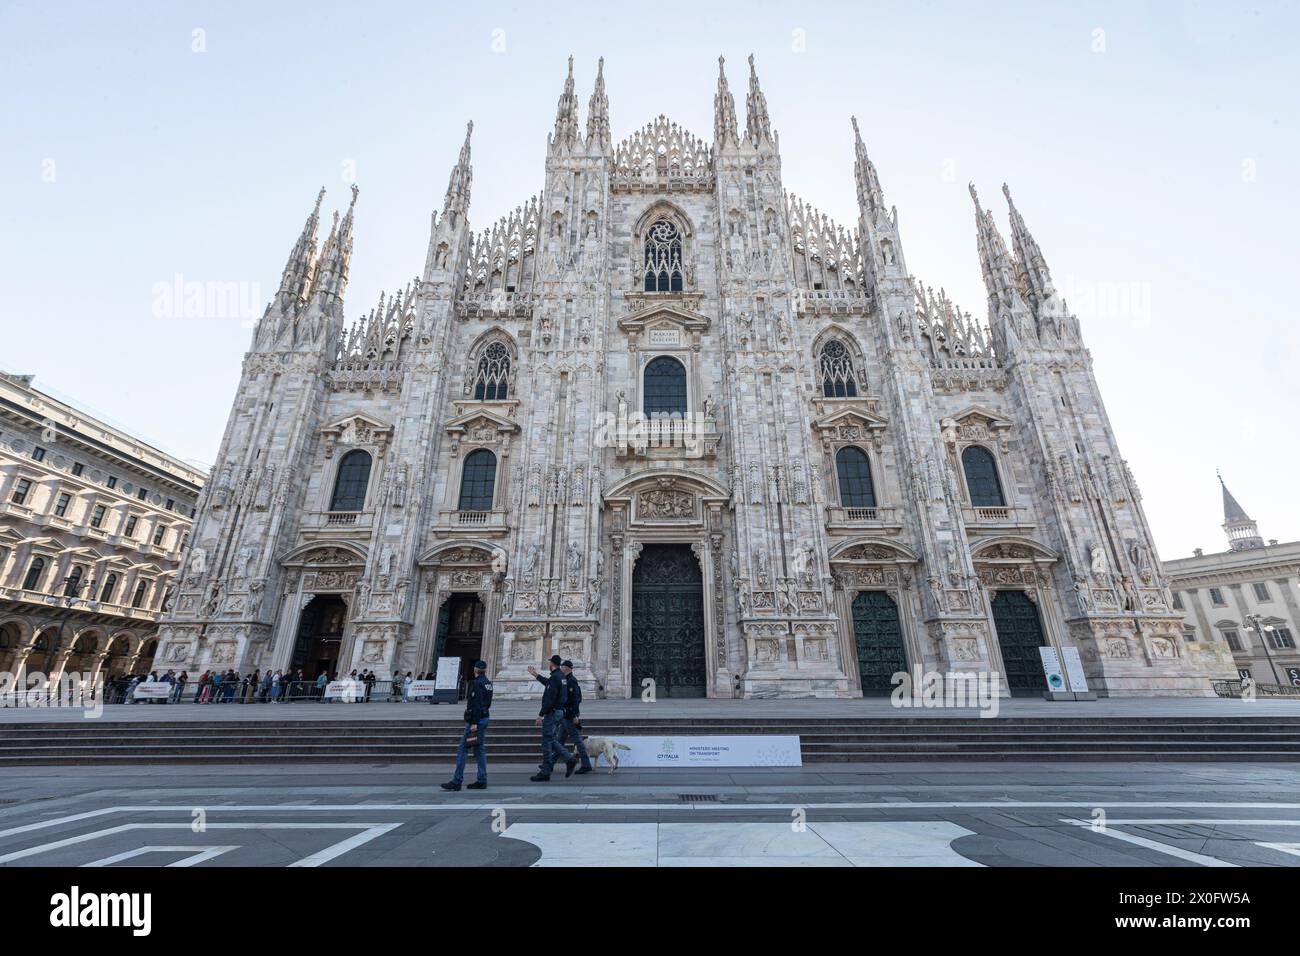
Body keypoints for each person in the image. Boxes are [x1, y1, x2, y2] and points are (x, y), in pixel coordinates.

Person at [441, 660, 493, 791]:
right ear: (485, 670)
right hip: (485, 717)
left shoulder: (476, 683)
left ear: (475, 669)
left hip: (477, 720)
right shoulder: (488, 683)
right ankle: (482, 780)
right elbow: (487, 703)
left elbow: (475, 703)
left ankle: (457, 781)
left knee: (462, 750)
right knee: (479, 750)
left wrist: (474, 722)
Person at [529, 655, 576, 782]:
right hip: (559, 711)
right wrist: (536, 675)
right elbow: (549, 684)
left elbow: (550, 698)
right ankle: (565, 760)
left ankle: (548, 770)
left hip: (553, 712)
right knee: (551, 739)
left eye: (549, 662)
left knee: (546, 742)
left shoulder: (556, 677)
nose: (548, 663)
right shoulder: (560, 677)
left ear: (552, 663)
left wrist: (541, 714)